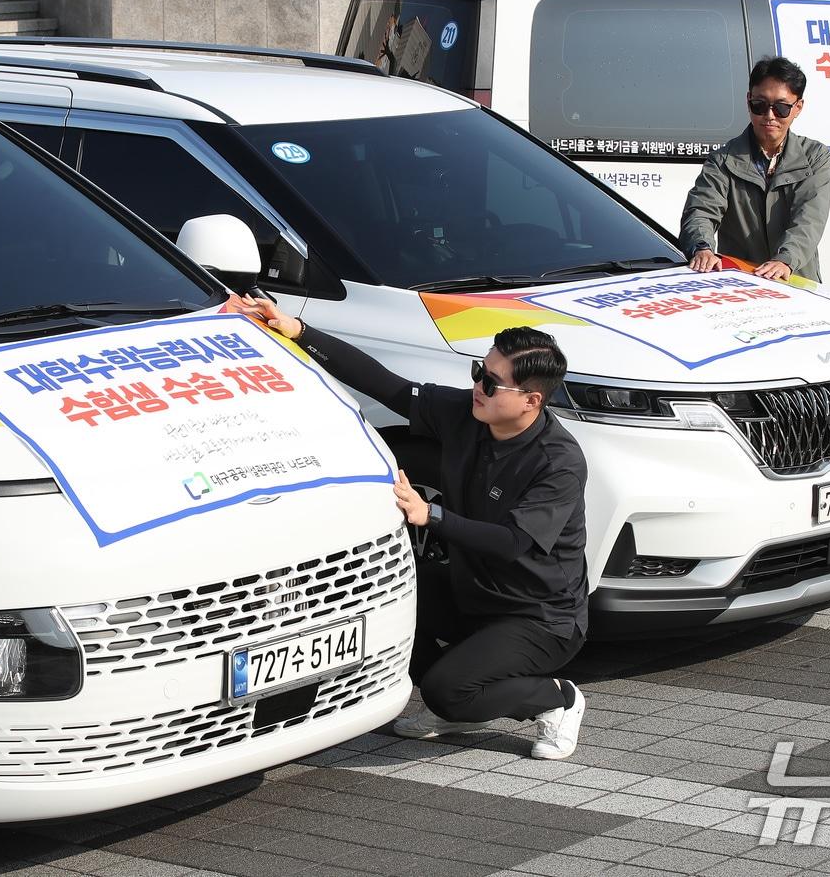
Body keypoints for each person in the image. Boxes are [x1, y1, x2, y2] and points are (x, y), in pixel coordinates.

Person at [229, 295, 591, 760]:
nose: (479, 385)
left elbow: (512, 542)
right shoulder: (468, 415)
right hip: (473, 591)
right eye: (479, 370)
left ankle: (555, 699)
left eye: (492, 382)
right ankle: (463, 699)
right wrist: (298, 331)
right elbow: (388, 387)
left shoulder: (557, 462)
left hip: (540, 618)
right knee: (380, 603)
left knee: (445, 691)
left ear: (530, 400)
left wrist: (430, 515)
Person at [679, 56, 830, 282]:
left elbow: (809, 221)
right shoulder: (722, 160)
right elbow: (701, 210)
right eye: (760, 105)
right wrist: (702, 248)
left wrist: (785, 260)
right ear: (748, 101)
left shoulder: (815, 156)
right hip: (741, 285)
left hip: (796, 283)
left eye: (781, 108)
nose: (769, 116)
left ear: (798, 107)